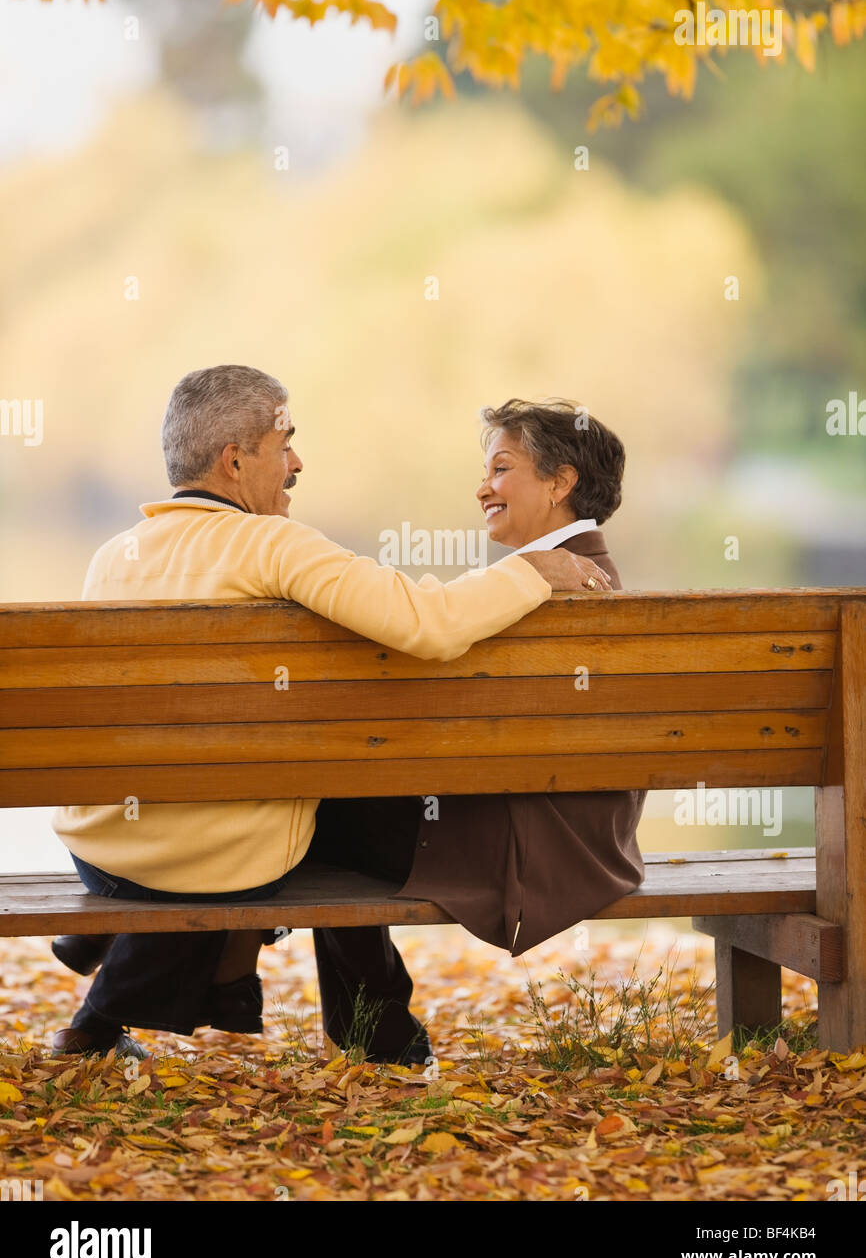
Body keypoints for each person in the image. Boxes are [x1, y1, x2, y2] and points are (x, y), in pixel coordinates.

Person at [49, 368, 610, 1062]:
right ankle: (368, 1028)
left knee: (318, 792)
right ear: (234, 462)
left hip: (101, 852)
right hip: (212, 860)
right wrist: (533, 572)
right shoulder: (276, 547)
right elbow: (425, 622)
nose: (297, 462)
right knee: (333, 802)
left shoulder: (113, 557)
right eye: (284, 443)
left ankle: (141, 994)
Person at [306, 398, 646, 1042]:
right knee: (329, 802)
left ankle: (367, 1028)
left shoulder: (558, 592)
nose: (483, 486)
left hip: (534, 842)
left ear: (560, 483)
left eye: (502, 467)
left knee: (312, 812)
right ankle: (369, 1029)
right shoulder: (579, 575)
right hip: (573, 830)